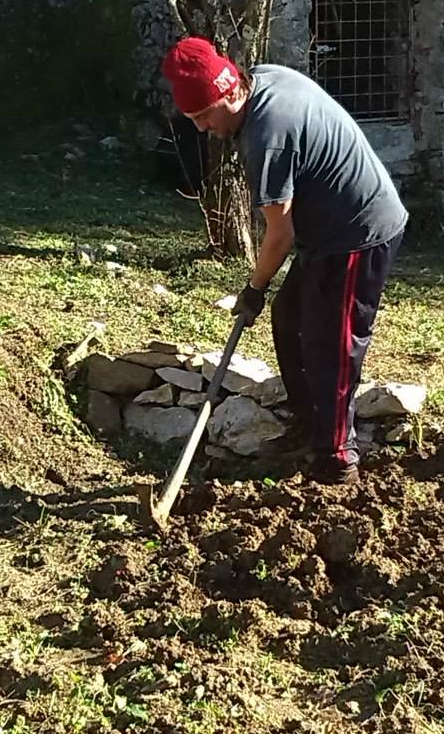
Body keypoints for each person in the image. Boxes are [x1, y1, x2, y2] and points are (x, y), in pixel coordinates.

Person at [162, 37, 408, 485]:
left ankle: (337, 460)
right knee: (291, 316)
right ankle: (310, 425)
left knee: (331, 342)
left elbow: (280, 234)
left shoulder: (265, 136)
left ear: (230, 91)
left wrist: (253, 289)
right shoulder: (262, 79)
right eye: (193, 119)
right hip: (325, 232)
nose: (202, 129)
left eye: (204, 116)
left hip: (358, 232)